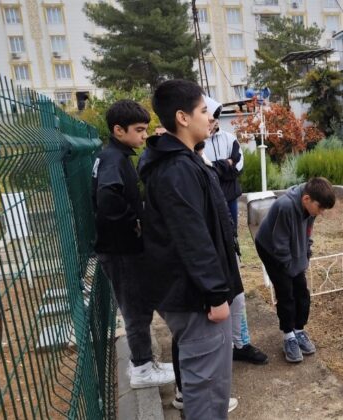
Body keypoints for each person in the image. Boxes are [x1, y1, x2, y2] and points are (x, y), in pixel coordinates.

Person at [138, 80, 239, 419]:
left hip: (191, 293)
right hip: (197, 299)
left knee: (210, 384)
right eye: (203, 111)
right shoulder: (177, 169)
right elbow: (192, 237)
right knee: (207, 389)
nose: (210, 118)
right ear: (182, 117)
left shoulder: (182, 160)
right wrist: (215, 295)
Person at [92, 99, 175, 389]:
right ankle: (141, 368)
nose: (143, 135)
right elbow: (107, 198)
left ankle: (143, 362)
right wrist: (133, 221)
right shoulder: (113, 160)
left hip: (119, 249)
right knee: (136, 309)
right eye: (139, 130)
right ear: (118, 130)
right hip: (120, 250)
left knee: (138, 304)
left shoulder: (114, 156)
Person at [202, 95, 268, 365]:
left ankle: (240, 344)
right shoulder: (196, 143)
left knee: (231, 243)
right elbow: (211, 172)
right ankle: (224, 346)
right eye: (208, 114)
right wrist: (222, 167)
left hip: (228, 200)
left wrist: (222, 168)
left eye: (215, 116)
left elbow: (236, 167)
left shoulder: (229, 138)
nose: (212, 121)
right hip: (210, 204)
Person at [254, 177, 335, 363]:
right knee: (286, 293)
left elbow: (307, 232)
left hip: (290, 247)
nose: (321, 213)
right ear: (306, 199)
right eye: (320, 208)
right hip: (271, 249)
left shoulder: (311, 206)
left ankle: (299, 331)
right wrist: (290, 267)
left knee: (302, 293)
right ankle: (288, 336)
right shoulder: (286, 206)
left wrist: (305, 255)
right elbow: (279, 243)